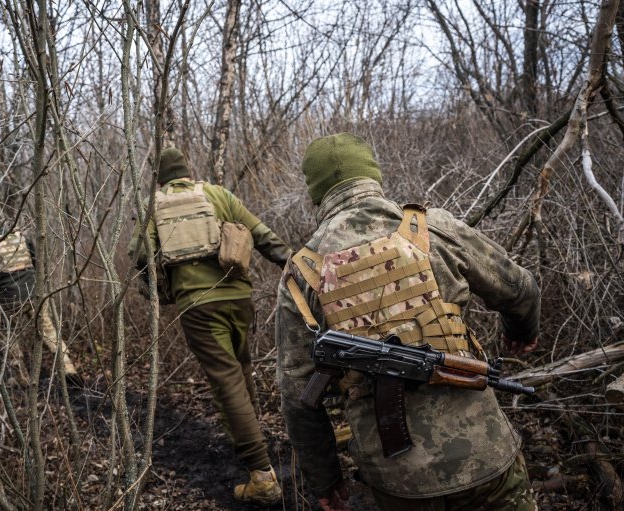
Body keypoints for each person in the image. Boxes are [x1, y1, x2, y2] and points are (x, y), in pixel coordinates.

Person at [276, 133, 540, 511]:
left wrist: (325, 479)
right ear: (374, 175)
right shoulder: (432, 227)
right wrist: (520, 331)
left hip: (396, 481)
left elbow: (296, 394)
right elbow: (521, 289)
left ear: (316, 192)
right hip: (486, 457)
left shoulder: (301, 271)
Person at [129, 148, 292, 506]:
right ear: (188, 171)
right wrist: (298, 270)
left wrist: (157, 287)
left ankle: (261, 474)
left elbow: (141, 255)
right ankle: (255, 447)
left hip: (198, 306)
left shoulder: (152, 205)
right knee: (242, 369)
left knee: (226, 379)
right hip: (239, 298)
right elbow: (263, 235)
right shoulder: (217, 194)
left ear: (159, 179)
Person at [0, 211, 82, 388]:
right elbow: (37, 261)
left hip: (9, 297)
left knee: (9, 337)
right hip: (34, 291)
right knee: (49, 331)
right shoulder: (21, 236)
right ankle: (68, 367)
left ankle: (21, 376)